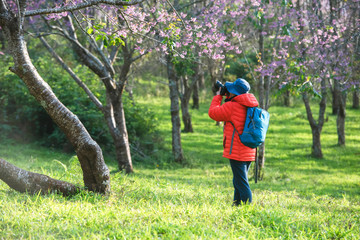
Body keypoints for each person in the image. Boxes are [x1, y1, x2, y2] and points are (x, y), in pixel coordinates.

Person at [208, 78, 259, 205]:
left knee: (241, 182)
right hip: (249, 149)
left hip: (237, 150)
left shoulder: (232, 106)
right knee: (239, 180)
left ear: (234, 93)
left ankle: (247, 208)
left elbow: (213, 113)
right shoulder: (250, 105)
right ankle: (236, 205)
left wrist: (218, 97)